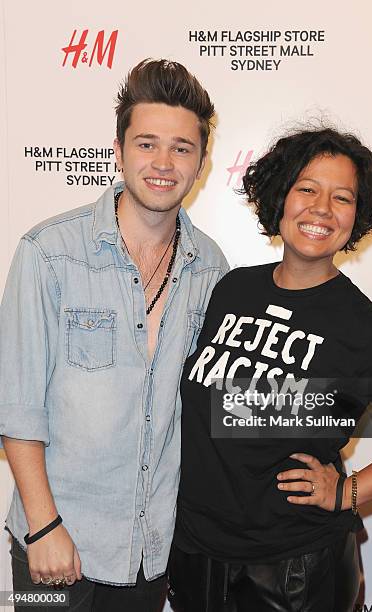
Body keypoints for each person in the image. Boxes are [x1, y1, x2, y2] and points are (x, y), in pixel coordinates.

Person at [168, 127, 372, 611]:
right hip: (195, 554)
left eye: (341, 197)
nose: (321, 208)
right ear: (281, 196)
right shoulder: (232, 290)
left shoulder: (361, 326)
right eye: (307, 188)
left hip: (293, 571)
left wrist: (348, 491)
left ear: (356, 215)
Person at [0, 58, 228, 611]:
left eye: (182, 148)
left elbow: (205, 411)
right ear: (119, 148)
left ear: (200, 162)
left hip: (153, 552)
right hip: (55, 545)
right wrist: (43, 526)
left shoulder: (211, 269)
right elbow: (19, 407)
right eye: (147, 143)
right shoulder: (49, 253)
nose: (163, 163)